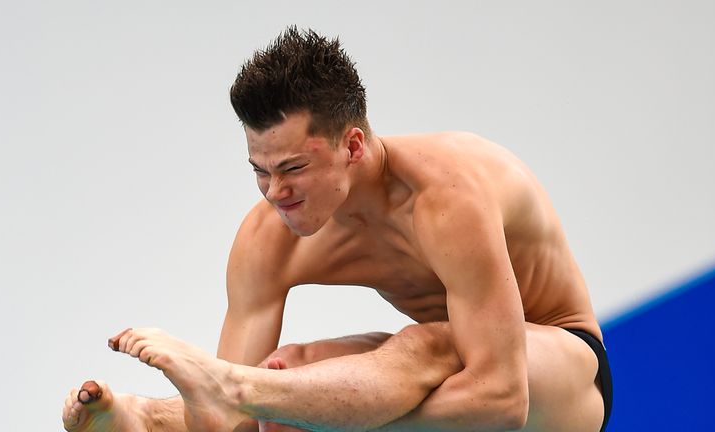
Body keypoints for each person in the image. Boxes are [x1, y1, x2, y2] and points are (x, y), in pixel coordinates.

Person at [62, 27, 612, 432]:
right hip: (451, 381)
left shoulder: (445, 198)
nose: (275, 192)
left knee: (418, 348)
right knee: (292, 371)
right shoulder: (267, 240)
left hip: (563, 371)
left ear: (352, 145)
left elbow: (502, 399)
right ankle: (147, 418)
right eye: (260, 171)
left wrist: (322, 420)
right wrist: (275, 402)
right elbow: (229, 417)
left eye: (294, 168)